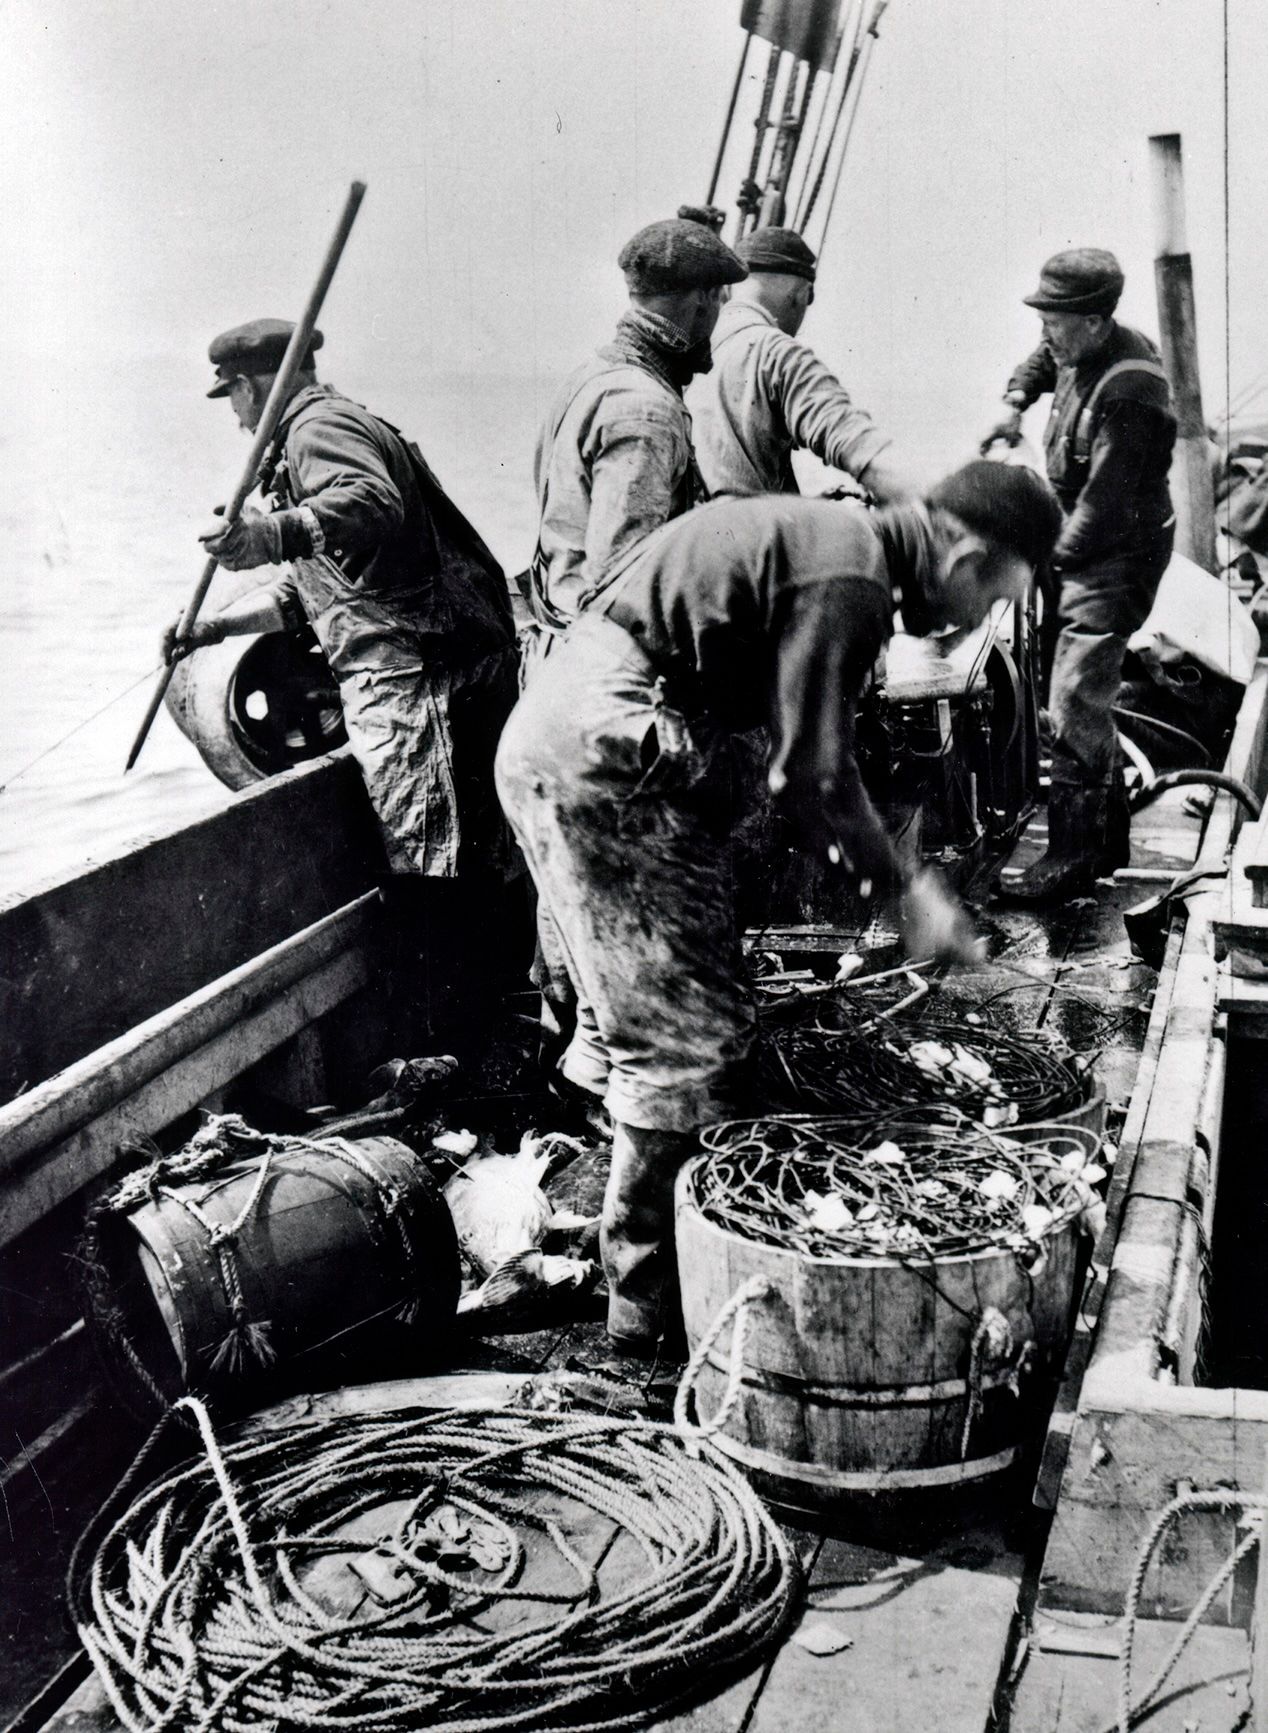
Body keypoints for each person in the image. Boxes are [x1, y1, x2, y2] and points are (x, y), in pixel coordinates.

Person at [496, 463, 1062, 1356]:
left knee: (645, 1026)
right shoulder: (853, 576)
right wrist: (910, 894)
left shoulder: (840, 543)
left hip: (566, 730)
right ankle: (644, 1322)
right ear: (961, 549)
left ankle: (637, 1238)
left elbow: (795, 761)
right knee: (683, 1043)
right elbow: (812, 773)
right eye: (989, 592)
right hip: (611, 758)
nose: (965, 623)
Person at [164, 318, 521, 1048]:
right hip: (425, 676)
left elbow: (372, 502)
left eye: (231, 397)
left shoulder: (318, 428)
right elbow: (313, 595)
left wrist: (273, 533)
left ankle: (459, 1048)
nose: (234, 416)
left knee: (437, 870)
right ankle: (475, 1035)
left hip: (423, 684)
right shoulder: (313, 439)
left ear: (253, 383)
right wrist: (214, 631)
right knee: (456, 862)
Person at [982, 249, 1177, 902]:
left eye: (1057, 319)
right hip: (1086, 536)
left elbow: (1104, 506)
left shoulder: (1131, 394)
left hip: (1120, 551)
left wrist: (1041, 558)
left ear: (1095, 322)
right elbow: (1044, 358)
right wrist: (1014, 401)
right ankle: (1107, 834)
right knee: (1070, 687)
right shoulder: (1076, 344)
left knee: (1073, 693)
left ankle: (1072, 856)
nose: (1045, 330)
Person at [523, 211, 747, 668]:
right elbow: (623, 581)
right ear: (705, 299)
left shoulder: (593, 375)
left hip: (560, 646)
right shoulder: (645, 408)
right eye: (719, 300)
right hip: (608, 674)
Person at [690, 225, 925, 502]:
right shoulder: (775, 353)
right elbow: (853, 442)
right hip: (747, 537)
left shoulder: (691, 351)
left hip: (686, 537)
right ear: (802, 295)